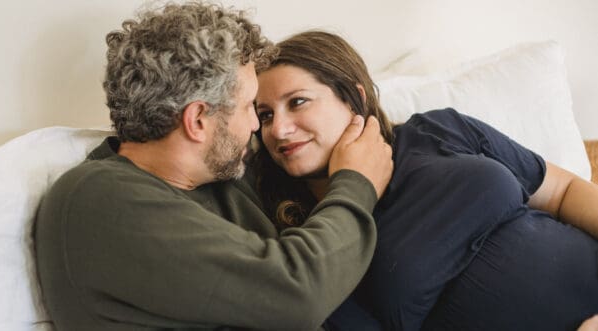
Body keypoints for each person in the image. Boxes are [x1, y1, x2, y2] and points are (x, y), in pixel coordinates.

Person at [34, 3, 394, 330]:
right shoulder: (99, 198)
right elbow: (298, 293)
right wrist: (357, 183)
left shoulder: (218, 176)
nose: (257, 125)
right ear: (198, 121)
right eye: (249, 108)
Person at [253, 30, 598, 331]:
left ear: (354, 98)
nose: (278, 129)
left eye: (297, 102)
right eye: (264, 115)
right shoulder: (312, 240)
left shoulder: (438, 130)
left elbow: (561, 190)